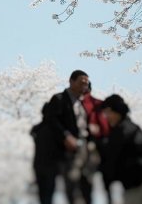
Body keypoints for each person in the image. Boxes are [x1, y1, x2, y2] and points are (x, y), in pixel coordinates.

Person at [44, 69, 92, 204]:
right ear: (71, 81)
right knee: (72, 185)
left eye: (86, 83)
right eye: (81, 82)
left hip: (85, 148)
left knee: (86, 184)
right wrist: (66, 137)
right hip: (68, 150)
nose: (84, 85)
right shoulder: (59, 99)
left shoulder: (83, 103)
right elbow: (52, 121)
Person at [100, 94, 142, 204]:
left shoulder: (120, 132)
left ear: (116, 110)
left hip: (134, 186)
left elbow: (113, 161)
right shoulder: (133, 127)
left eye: (108, 112)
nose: (106, 116)